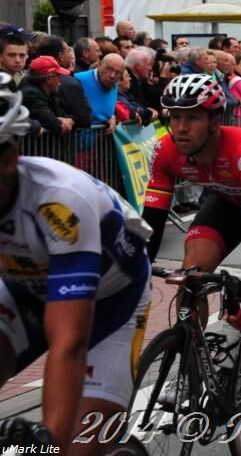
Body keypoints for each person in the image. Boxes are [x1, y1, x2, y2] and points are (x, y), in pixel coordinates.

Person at [0, 73, 152, 454]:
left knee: (75, 446)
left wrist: (50, 442)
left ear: (8, 159)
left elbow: (69, 344)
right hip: (24, 283)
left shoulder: (60, 201)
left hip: (111, 299)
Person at [141, 74, 241, 424]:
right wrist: (139, 270)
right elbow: (152, 222)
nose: (181, 127)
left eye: (192, 118)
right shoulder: (165, 150)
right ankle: (189, 373)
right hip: (227, 200)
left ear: (215, 121)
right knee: (191, 277)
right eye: (174, 117)